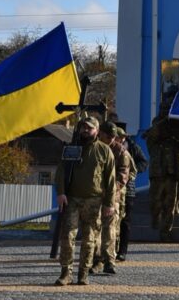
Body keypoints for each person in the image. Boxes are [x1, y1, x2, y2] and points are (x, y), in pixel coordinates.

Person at [53, 115, 116, 286]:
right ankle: (66, 273)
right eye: (83, 127)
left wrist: (109, 203)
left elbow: (110, 180)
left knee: (89, 240)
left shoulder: (104, 150)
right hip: (72, 200)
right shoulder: (71, 148)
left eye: (89, 128)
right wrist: (61, 192)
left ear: (97, 131)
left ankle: (83, 273)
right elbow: (61, 172)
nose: (86, 130)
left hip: (94, 201)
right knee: (67, 236)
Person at [145, 100, 179, 242]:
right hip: (158, 170)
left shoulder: (177, 127)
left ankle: (165, 231)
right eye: (164, 109)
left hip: (172, 170)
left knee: (170, 204)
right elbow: (152, 137)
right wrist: (165, 123)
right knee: (155, 200)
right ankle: (156, 218)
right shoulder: (156, 124)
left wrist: (176, 130)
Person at [91, 120, 125, 275]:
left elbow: (123, 176)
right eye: (108, 136)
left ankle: (109, 261)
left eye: (113, 137)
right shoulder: (94, 148)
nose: (111, 139)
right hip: (95, 195)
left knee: (110, 230)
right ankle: (97, 260)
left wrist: (110, 191)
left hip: (112, 197)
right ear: (100, 134)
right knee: (95, 230)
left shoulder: (120, 151)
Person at [116, 131, 138, 261]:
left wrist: (129, 177)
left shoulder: (131, 148)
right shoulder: (110, 149)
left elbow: (138, 166)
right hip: (113, 191)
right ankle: (112, 250)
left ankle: (122, 251)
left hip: (127, 190)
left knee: (125, 221)